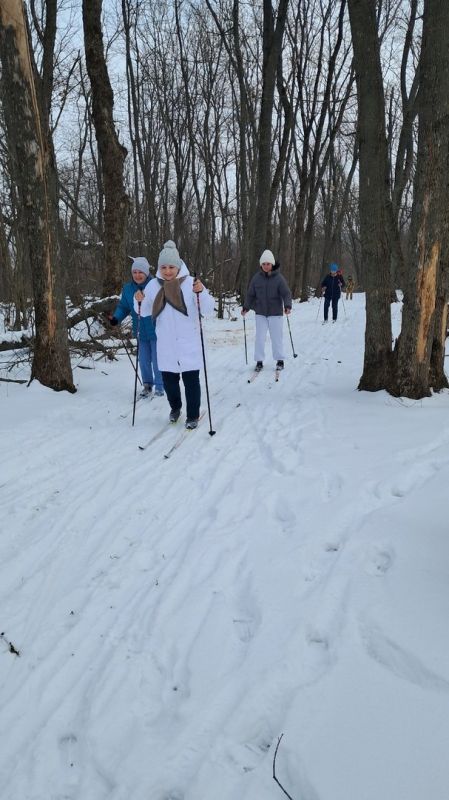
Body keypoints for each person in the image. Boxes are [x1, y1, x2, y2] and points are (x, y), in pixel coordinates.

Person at [134, 240, 214, 429]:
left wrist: (201, 292)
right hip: (166, 344)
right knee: (170, 382)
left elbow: (208, 308)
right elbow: (144, 310)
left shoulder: (191, 284)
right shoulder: (153, 286)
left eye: (171, 267)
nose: (167, 271)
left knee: (191, 381)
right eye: (163, 267)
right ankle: (175, 408)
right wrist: (138, 300)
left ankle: (193, 415)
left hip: (188, 343)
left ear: (178, 266)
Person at [108, 257, 164, 397]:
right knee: (143, 359)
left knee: (158, 360)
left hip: (157, 330)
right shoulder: (127, 289)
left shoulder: (155, 285)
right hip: (140, 330)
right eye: (135, 272)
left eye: (141, 272)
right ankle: (147, 384)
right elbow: (124, 307)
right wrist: (116, 318)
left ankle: (160, 385)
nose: (138, 275)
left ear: (146, 273)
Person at [241, 249, 292, 371]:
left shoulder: (279, 278)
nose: (266, 266)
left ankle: (279, 360)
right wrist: (246, 307)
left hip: (276, 313)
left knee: (276, 337)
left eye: (268, 264)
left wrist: (287, 306)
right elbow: (250, 295)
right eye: (263, 264)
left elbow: (286, 293)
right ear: (260, 265)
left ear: (272, 264)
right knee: (259, 337)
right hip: (261, 313)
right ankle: (259, 361)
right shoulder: (256, 278)